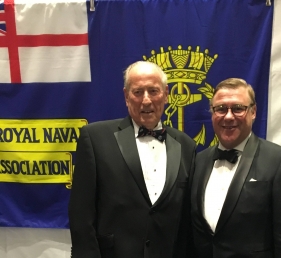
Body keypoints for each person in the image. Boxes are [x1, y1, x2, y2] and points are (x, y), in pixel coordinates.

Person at [69, 61, 196, 258]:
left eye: (153, 91)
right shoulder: (95, 138)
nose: (146, 100)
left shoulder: (187, 146)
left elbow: (188, 222)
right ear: (126, 96)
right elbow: (81, 217)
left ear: (166, 94)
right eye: (138, 92)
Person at [191, 78, 281, 258]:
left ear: (253, 111)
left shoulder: (280, 160)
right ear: (212, 113)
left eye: (238, 108)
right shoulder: (198, 161)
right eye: (220, 109)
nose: (228, 116)